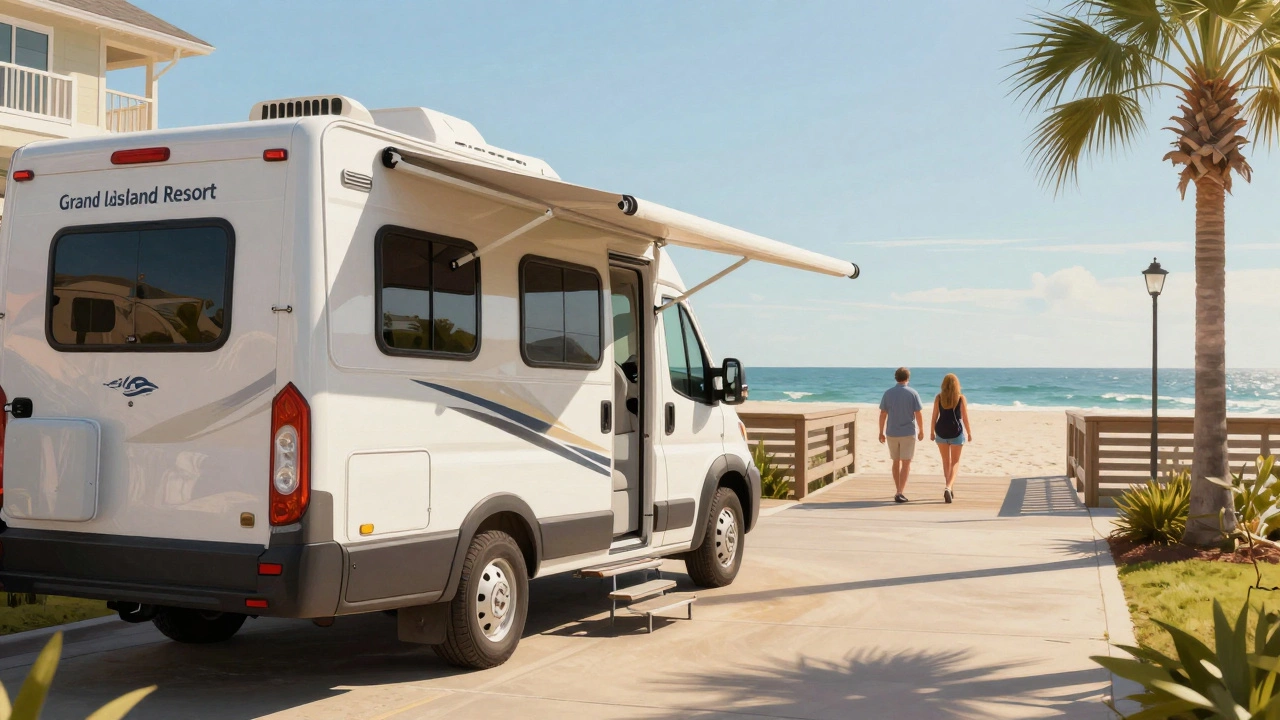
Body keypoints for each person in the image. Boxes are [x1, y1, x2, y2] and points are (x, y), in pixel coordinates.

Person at [879, 367, 924, 503]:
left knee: (895, 461)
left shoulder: (888, 393)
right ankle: (900, 492)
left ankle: (898, 490)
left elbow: (883, 413)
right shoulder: (913, 393)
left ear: (896, 378)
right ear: (908, 378)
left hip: (892, 432)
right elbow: (918, 413)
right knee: (906, 463)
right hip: (908, 432)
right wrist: (921, 430)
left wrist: (880, 432)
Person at [930, 373, 972, 504]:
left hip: (941, 431)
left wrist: (931, 432)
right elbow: (965, 418)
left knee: (945, 461)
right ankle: (948, 487)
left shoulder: (938, 398)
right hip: (956, 432)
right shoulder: (960, 398)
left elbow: (934, 416)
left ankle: (949, 486)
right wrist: (969, 433)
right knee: (955, 462)